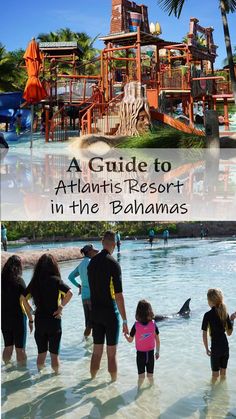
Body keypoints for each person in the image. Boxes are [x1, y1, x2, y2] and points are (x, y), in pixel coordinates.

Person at [88, 231, 128, 381]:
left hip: (95, 314)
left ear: (102, 242)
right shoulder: (114, 264)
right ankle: (113, 385)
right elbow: (118, 295)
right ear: (114, 243)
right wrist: (124, 320)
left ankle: (91, 380)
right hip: (110, 314)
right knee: (111, 354)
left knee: (96, 352)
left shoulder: (92, 263)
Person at [25, 253, 73, 373]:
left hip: (40, 321)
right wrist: (61, 307)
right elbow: (70, 293)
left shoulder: (34, 282)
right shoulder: (56, 281)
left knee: (41, 353)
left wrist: (31, 311)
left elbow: (23, 298)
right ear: (54, 266)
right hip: (54, 320)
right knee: (54, 355)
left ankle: (40, 374)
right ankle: (56, 378)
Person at [1, 255, 33, 365]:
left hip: (4, 319)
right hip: (18, 319)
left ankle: (6, 368)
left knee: (8, 346)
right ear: (18, 267)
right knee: (20, 349)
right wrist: (31, 319)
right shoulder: (19, 281)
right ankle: (22, 371)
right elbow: (25, 302)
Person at [124, 300, 160, 388]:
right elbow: (158, 340)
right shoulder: (153, 324)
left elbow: (130, 340)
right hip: (151, 355)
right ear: (150, 311)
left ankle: (139, 391)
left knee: (141, 377)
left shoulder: (135, 326)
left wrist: (126, 335)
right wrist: (157, 352)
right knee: (150, 376)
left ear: (138, 313)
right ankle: (151, 390)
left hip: (140, 356)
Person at [201, 288, 234, 383]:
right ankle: (222, 397)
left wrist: (207, 349)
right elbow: (229, 333)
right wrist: (232, 320)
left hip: (215, 348)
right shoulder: (225, 313)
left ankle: (214, 397)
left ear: (210, 301)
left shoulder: (207, 315)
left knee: (214, 377)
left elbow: (204, 334)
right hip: (225, 347)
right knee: (223, 375)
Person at [68, 244, 98, 338]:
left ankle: (86, 341)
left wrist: (79, 286)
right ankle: (94, 344)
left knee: (88, 322)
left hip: (84, 296)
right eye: (94, 251)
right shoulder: (92, 263)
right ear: (89, 252)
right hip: (93, 296)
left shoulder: (80, 265)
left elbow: (70, 277)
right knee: (95, 322)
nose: (95, 253)